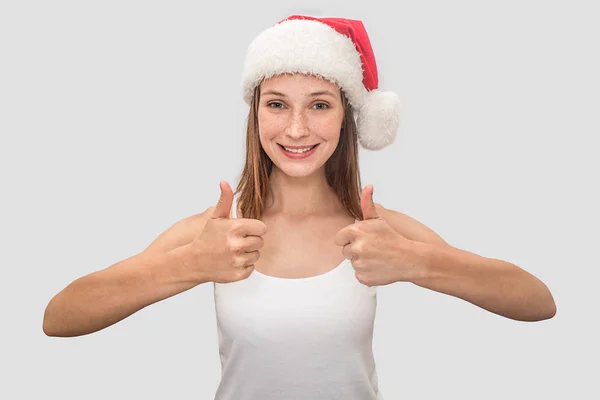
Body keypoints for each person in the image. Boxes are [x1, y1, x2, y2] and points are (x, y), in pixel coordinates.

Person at [43, 14, 556, 400]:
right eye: (277, 104)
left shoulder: (376, 230)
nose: (295, 129)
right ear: (256, 113)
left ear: (346, 118)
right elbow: (60, 317)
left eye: (319, 104)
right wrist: (189, 265)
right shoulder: (216, 231)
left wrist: (416, 262)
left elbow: (537, 302)